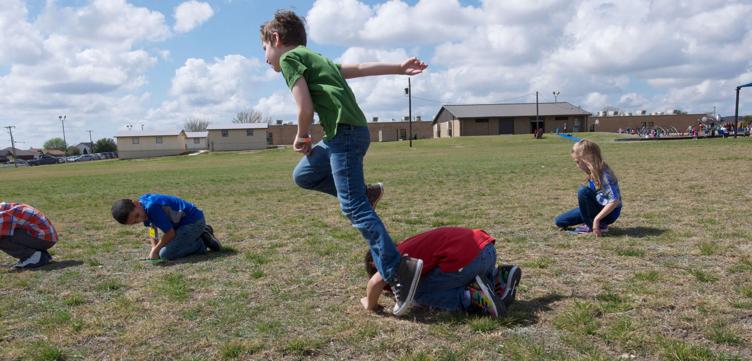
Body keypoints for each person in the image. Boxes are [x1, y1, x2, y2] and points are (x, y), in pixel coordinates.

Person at [260, 9, 428, 316]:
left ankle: (399, 271)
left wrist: (301, 135)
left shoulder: (289, 59)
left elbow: (305, 107)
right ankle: (366, 194)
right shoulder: (317, 59)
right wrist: (399, 66)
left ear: (276, 39)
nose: (265, 58)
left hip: (344, 136)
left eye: (265, 50)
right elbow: (361, 68)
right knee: (304, 175)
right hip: (351, 133)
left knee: (352, 208)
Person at [362, 227, 522, 318]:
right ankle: (497, 278)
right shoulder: (410, 246)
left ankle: (470, 297)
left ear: (374, 263)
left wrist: (370, 304)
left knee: (414, 294)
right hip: (487, 249)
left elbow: (375, 282)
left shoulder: (387, 257)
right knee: (438, 281)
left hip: (467, 261)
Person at [111, 194, 221, 261]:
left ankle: (202, 242)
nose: (139, 220)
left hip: (194, 223)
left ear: (136, 203)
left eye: (137, 216)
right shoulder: (142, 207)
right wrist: (154, 248)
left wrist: (156, 250)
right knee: (161, 251)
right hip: (181, 227)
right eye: (135, 222)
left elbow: (170, 233)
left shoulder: (151, 207)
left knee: (165, 254)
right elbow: (151, 228)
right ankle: (199, 235)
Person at [554, 139, 622, 236]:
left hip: (610, 213)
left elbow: (614, 201)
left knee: (583, 191)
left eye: (578, 162)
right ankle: (590, 221)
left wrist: (596, 220)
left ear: (587, 160)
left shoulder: (604, 175)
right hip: (598, 206)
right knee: (560, 221)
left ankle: (597, 226)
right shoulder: (592, 173)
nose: (577, 166)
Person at [0, 202, 58, 269]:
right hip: (47, 236)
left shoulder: (2, 215)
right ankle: (40, 255)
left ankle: (32, 256)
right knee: (9, 231)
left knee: (3, 239)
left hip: (45, 239)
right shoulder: (3, 207)